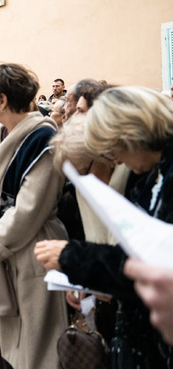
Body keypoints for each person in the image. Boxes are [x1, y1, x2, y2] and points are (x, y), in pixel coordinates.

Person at [35, 86, 173, 366]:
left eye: (114, 150)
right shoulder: (152, 173)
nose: (117, 159)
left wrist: (73, 258)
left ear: (131, 135)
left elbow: (147, 262)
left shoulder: (154, 175)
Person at [0, 63, 68, 368]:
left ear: (2, 100)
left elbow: (30, 210)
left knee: (32, 352)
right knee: (1, 349)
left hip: (31, 253)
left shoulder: (43, 138)